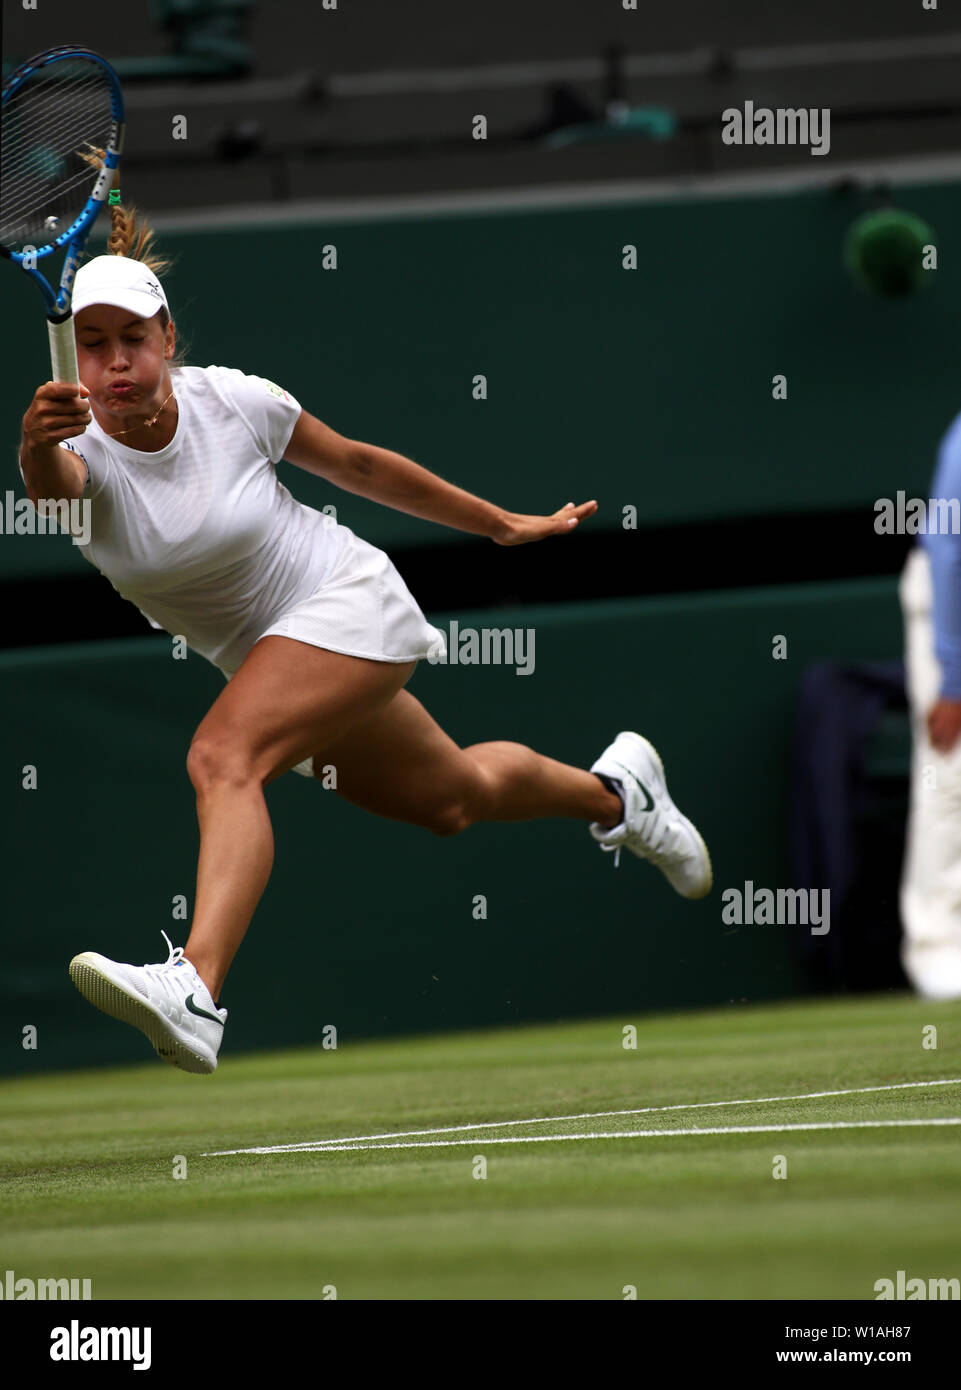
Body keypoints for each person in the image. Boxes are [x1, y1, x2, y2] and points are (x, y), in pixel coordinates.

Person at [19, 197, 712, 1075]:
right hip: (271, 661)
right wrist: (38, 442)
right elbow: (53, 488)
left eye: (133, 339)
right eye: (94, 344)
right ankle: (621, 796)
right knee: (450, 798)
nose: (116, 361)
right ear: (74, 356)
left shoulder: (235, 401)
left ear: (166, 337)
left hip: (344, 600)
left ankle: (196, 987)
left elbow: (357, 465)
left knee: (221, 759)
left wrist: (497, 524)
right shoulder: (69, 455)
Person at [898, 411, 961, 1000]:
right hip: (950, 609)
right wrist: (953, 678)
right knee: (948, 774)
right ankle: (936, 949)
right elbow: (948, 550)